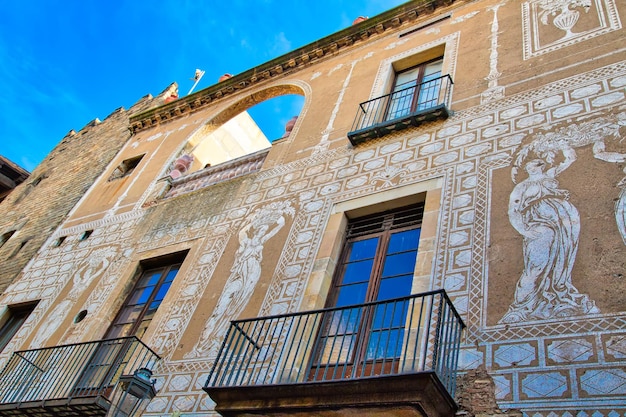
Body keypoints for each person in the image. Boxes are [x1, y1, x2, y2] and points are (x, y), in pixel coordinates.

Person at [500, 148, 599, 323]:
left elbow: (570, 158)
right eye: (528, 165)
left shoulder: (550, 174)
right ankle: (522, 305)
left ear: (541, 165)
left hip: (564, 222)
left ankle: (556, 295)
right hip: (539, 226)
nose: (531, 167)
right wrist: (524, 230)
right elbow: (513, 211)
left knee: (563, 259)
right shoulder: (522, 187)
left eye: (535, 164)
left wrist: (562, 143)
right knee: (537, 264)